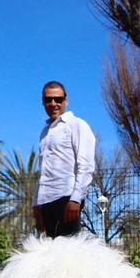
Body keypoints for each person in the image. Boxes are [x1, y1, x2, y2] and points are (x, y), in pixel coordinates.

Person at [33, 80, 96, 238]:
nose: (53, 103)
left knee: (68, 254)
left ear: (66, 100)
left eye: (58, 99)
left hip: (66, 199)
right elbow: (43, 170)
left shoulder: (77, 125)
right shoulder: (45, 132)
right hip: (46, 201)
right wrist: (36, 203)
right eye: (48, 99)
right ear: (43, 102)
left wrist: (76, 199)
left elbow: (86, 165)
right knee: (49, 254)